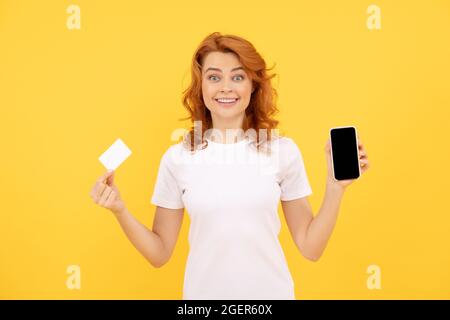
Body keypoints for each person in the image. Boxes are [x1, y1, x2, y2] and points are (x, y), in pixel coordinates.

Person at [89, 32, 370, 300]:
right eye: (214, 77)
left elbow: (311, 247)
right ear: (201, 87)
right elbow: (159, 254)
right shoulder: (178, 158)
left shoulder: (282, 152)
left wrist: (335, 188)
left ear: (253, 86)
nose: (225, 87)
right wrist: (120, 210)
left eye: (238, 76)